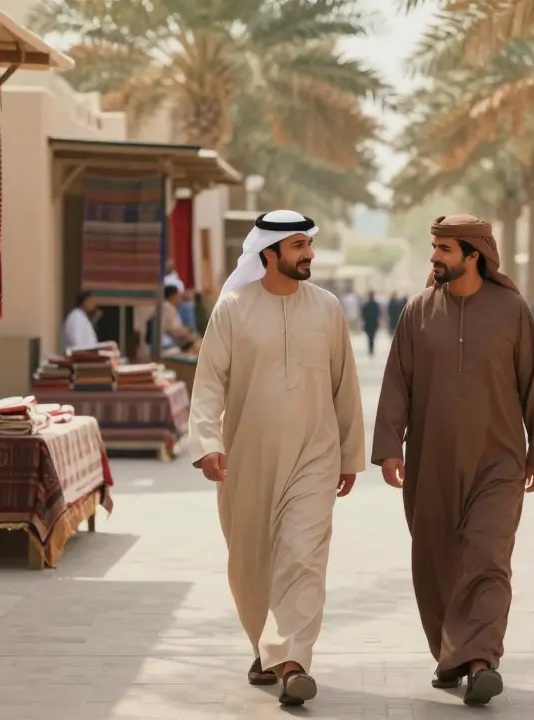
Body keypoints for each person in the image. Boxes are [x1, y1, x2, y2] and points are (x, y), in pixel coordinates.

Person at [371, 214, 534, 706]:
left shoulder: (512, 310)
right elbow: (397, 383)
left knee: (488, 557)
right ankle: (451, 653)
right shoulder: (417, 312)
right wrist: (390, 445)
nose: (435, 257)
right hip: (430, 460)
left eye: (445, 249)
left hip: (498, 461)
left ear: (473, 255)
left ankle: (481, 661)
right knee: (435, 561)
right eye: (434, 248)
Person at [188, 209, 365, 706]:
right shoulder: (233, 308)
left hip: (315, 454)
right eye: (297, 247)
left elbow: (344, 385)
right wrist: (208, 445)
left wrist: (350, 453)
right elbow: (208, 385)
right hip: (247, 457)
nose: (308, 254)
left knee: (303, 556)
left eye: (308, 245)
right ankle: (265, 646)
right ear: (268, 253)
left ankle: (292, 662)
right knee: (251, 562)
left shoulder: (327, 308)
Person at [160, 283, 201, 354]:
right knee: (198, 346)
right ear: (172, 297)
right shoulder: (168, 308)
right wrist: (188, 331)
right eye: (178, 296)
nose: (180, 299)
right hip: (169, 346)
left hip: (172, 343)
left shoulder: (169, 308)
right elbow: (175, 331)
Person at [362, 290, 382, 357]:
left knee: (371, 337)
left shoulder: (373, 305)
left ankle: (371, 348)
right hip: (370, 323)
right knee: (370, 337)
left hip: (371, 323)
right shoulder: (369, 305)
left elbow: (379, 313)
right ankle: (371, 348)